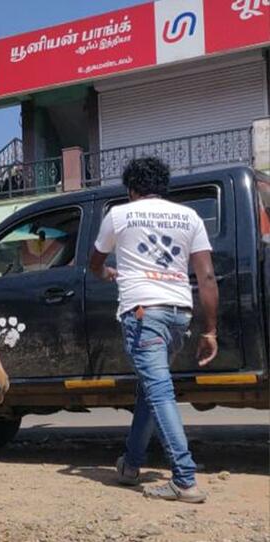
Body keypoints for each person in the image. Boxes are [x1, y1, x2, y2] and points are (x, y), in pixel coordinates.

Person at [89, 156, 218, 503]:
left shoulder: (119, 214)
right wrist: (210, 331)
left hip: (143, 314)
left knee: (159, 393)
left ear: (131, 189)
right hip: (179, 315)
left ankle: (184, 480)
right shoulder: (190, 217)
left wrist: (108, 274)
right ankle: (130, 466)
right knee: (150, 391)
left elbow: (95, 262)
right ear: (163, 187)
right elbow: (206, 276)